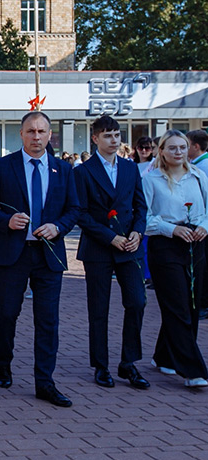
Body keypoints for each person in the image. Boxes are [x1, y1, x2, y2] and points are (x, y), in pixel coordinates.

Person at [0, 112, 80, 407]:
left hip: (49, 256)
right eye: (31, 131)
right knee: (7, 313)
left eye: (42, 131)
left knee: (48, 320)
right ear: (21, 134)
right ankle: (4, 362)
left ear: (50, 135)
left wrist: (58, 227)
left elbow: (74, 209)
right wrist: (6, 220)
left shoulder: (63, 169)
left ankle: (45, 382)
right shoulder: (4, 166)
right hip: (15, 253)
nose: (36, 137)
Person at [74, 116, 150, 390]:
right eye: (108, 135)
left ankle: (128, 363)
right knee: (99, 308)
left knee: (137, 302)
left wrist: (137, 233)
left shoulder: (131, 168)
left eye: (117, 135)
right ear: (95, 138)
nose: (114, 140)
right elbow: (80, 213)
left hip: (129, 246)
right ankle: (101, 365)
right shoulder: (83, 172)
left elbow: (141, 206)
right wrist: (111, 237)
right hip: (98, 248)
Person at [142, 130, 208, 387]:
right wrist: (171, 229)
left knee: (191, 306)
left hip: (195, 244)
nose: (178, 152)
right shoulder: (152, 179)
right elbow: (144, 218)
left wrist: (204, 225)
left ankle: (165, 357)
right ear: (162, 151)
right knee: (177, 306)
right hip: (165, 244)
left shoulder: (199, 177)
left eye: (182, 147)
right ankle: (193, 370)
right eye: (172, 148)